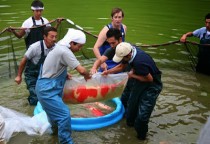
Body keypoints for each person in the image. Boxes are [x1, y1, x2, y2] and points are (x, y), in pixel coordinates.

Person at [35, 28, 91, 144]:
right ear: (71, 43)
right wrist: (88, 75)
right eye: (79, 46)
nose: (79, 49)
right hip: (47, 90)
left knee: (54, 117)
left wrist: (64, 73)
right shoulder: (65, 51)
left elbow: (54, 65)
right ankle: (66, 142)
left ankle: (54, 136)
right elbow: (81, 70)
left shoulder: (59, 46)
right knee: (64, 114)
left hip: (46, 86)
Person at [102, 42, 163, 140]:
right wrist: (108, 72)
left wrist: (131, 75)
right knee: (131, 109)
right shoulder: (129, 50)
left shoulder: (139, 62)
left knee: (142, 117)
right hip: (140, 81)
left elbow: (149, 79)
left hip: (152, 85)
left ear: (128, 55)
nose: (121, 60)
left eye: (122, 58)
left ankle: (141, 138)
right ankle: (128, 130)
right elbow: (122, 66)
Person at [15, 26, 57, 105]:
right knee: (35, 97)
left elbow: (57, 62)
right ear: (44, 37)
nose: (54, 39)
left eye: (55, 37)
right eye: (52, 37)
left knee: (50, 94)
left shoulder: (56, 47)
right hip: (32, 74)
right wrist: (19, 76)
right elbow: (24, 60)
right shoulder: (34, 47)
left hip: (45, 74)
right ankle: (32, 110)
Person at [93, 7, 126, 71]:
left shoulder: (124, 28)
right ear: (111, 18)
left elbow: (122, 44)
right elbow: (95, 48)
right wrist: (102, 62)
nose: (117, 19)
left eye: (119, 17)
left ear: (122, 18)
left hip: (118, 59)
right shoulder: (106, 30)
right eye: (115, 17)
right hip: (106, 61)